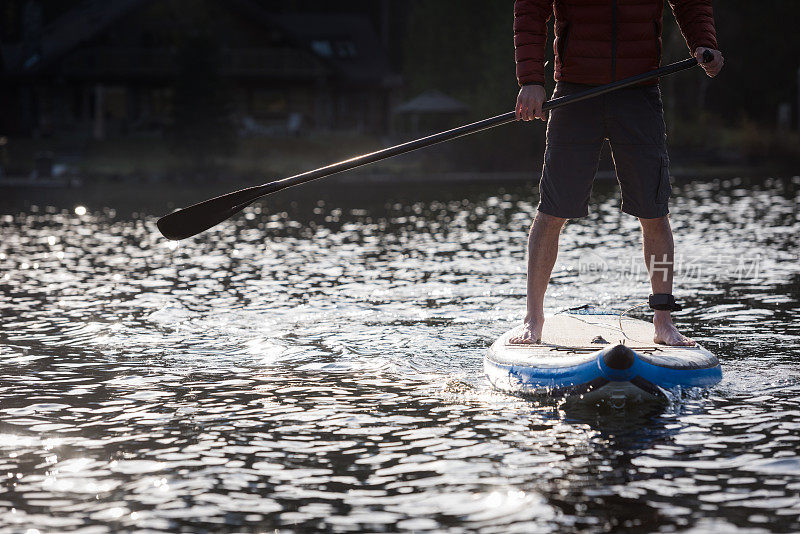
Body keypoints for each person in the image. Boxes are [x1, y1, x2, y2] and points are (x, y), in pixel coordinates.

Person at [511, 0, 723, 345]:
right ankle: (533, 319)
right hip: (575, 91)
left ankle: (664, 322)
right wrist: (531, 80)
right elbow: (529, 9)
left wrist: (705, 43)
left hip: (639, 91)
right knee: (552, 210)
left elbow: (690, 2)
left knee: (654, 211)